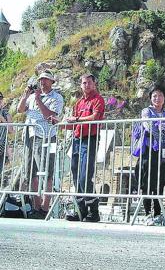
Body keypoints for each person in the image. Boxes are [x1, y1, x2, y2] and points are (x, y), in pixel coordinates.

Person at [16, 70, 64, 219]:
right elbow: (20, 109)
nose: (42, 82)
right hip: (29, 135)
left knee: (46, 172)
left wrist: (38, 99)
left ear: (52, 82)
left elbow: (49, 115)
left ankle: (45, 207)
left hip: (47, 137)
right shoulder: (31, 96)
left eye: (46, 80)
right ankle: (36, 206)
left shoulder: (57, 98)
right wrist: (26, 94)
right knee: (30, 172)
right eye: (40, 79)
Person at [61, 73, 105, 222]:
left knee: (85, 176)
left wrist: (77, 119)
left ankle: (94, 210)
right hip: (77, 139)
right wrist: (59, 122)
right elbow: (73, 123)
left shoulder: (98, 99)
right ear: (81, 85)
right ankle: (81, 210)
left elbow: (95, 117)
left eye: (89, 83)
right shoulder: (78, 103)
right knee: (75, 174)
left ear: (94, 84)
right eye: (84, 83)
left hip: (90, 139)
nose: (86, 85)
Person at [133, 85, 165, 226]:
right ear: (151, 98)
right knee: (146, 182)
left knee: (160, 182)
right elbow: (148, 126)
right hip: (148, 150)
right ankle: (147, 214)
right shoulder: (147, 111)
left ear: (164, 98)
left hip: (163, 152)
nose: (157, 98)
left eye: (160, 95)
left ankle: (158, 213)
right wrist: (161, 133)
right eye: (154, 96)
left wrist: (162, 131)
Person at [0, 92, 8, 176]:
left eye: (0, 99)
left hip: (1, 147)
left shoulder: (4, 112)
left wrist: (2, 117)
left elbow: (11, 130)